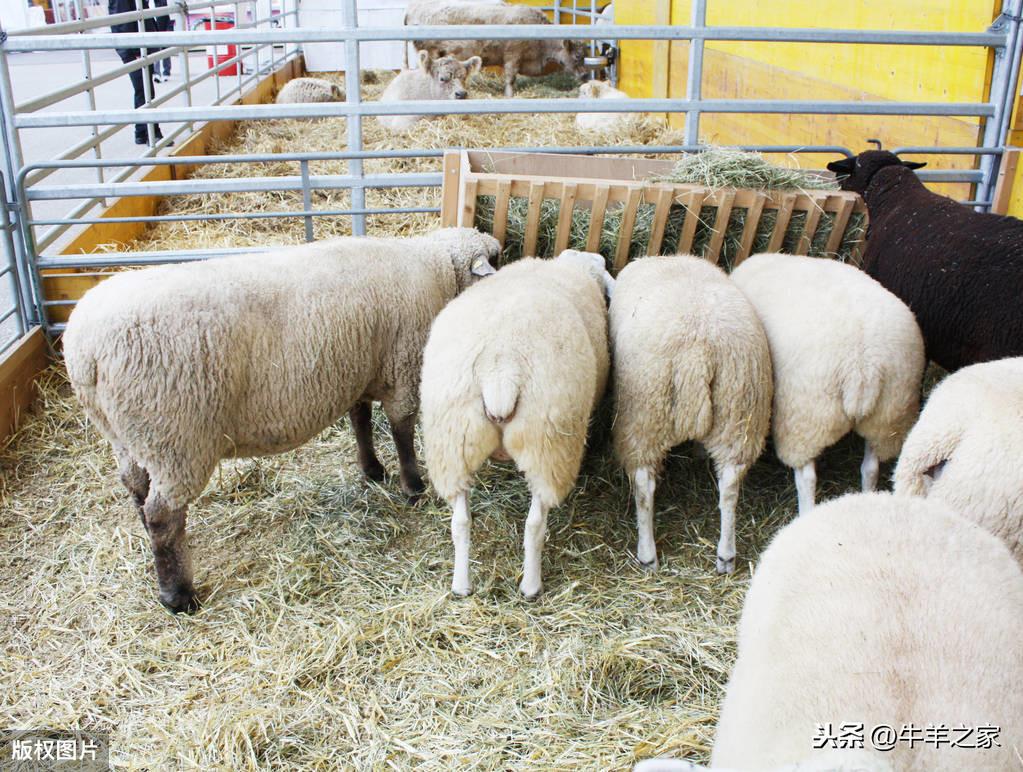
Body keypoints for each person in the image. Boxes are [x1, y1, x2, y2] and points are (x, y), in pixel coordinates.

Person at [108, 0, 164, 145]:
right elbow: (123, 17)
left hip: (137, 44)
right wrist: (134, 48)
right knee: (144, 89)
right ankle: (152, 132)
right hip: (135, 46)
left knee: (143, 88)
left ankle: (141, 132)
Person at [153, 0, 173, 82]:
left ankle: (165, 72)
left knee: (165, 45)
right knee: (156, 46)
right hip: (155, 17)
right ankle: (157, 72)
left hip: (165, 17)